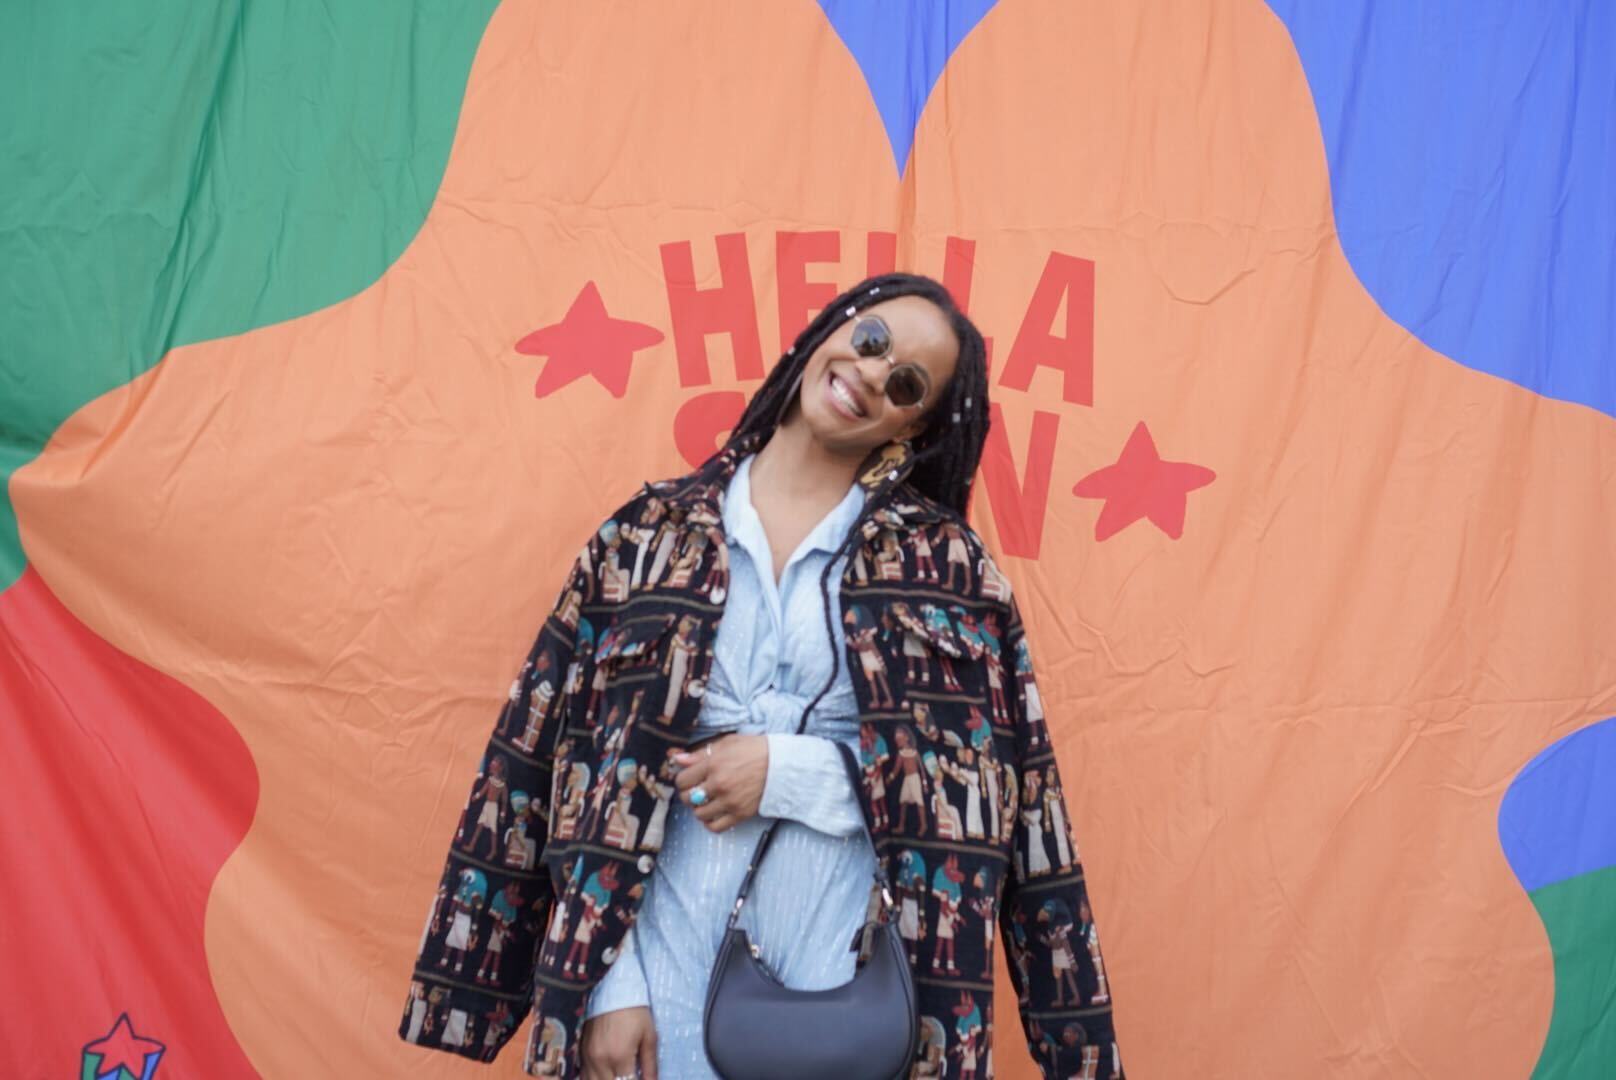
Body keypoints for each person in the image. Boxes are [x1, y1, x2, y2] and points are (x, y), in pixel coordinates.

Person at [400, 272, 1123, 1079]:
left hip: (850, 1009)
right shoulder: (645, 539)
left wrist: (789, 774)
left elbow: (994, 798)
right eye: (873, 339)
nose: (874, 374)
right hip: (652, 994)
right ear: (830, 329)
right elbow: (557, 767)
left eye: (907, 383)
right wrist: (607, 983)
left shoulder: (950, 571)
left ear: (914, 427)